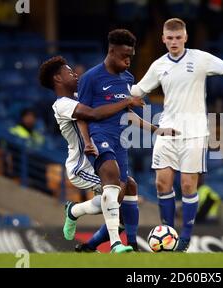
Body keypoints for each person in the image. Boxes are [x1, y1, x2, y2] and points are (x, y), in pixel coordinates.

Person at [130, 18, 223, 251]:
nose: (174, 42)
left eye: (178, 37)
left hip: (194, 132)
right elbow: (137, 90)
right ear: (163, 39)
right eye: (169, 38)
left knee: (187, 185)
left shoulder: (200, 58)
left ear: (185, 38)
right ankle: (168, 233)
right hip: (167, 130)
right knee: (162, 183)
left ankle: (186, 236)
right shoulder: (158, 65)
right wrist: (114, 91)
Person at [78, 29, 177, 253]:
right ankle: (117, 244)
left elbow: (128, 114)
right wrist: (86, 141)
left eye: (131, 56)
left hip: (120, 141)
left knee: (124, 192)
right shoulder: (91, 78)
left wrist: (155, 129)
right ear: (111, 51)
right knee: (114, 187)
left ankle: (101, 238)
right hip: (99, 137)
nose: (128, 60)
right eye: (124, 55)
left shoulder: (127, 79)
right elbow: (81, 114)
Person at [38, 56, 146, 252]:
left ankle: (76, 212)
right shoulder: (62, 104)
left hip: (98, 158)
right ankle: (115, 243)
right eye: (69, 72)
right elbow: (95, 114)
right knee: (115, 190)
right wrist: (126, 102)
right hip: (81, 166)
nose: (75, 74)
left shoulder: (82, 94)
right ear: (58, 79)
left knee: (128, 187)